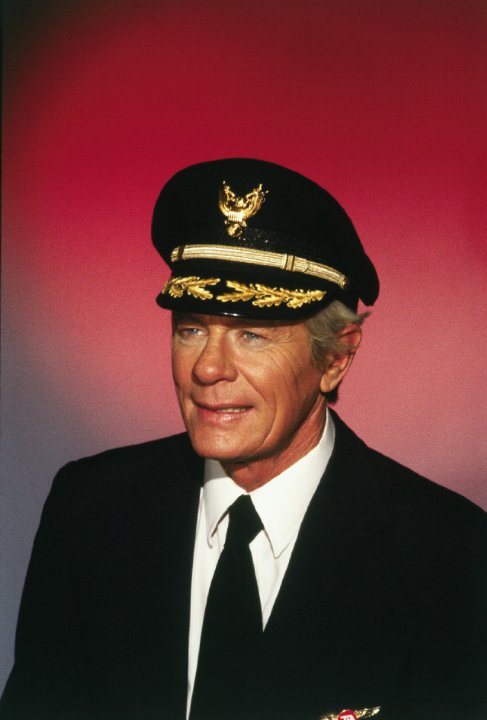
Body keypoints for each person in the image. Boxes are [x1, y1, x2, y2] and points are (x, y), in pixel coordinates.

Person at [1, 158, 485, 720]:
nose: (208, 368)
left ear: (335, 358)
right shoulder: (89, 510)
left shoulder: (449, 556)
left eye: (252, 335)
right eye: (191, 328)